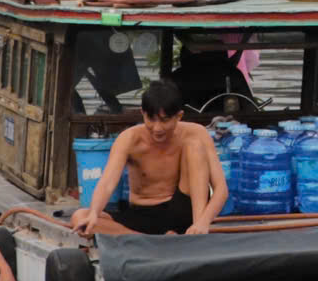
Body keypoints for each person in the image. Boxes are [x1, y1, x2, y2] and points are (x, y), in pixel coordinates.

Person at [72, 78, 226, 236]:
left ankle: (195, 234)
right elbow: (107, 183)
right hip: (142, 216)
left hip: (182, 211)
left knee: (195, 145)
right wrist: (93, 213)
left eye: (164, 120)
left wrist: (203, 222)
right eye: (151, 119)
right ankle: (150, 240)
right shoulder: (129, 139)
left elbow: (220, 189)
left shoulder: (196, 132)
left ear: (178, 116)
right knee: (80, 217)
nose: (157, 128)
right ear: (142, 113)